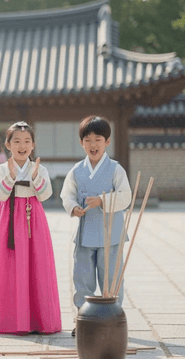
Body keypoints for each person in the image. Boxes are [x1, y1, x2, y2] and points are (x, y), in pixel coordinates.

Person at [0, 121, 61, 334]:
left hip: (34, 219)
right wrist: (12, 176)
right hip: (8, 219)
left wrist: (34, 178)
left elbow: (46, 195)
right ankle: (9, 320)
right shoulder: (2, 169)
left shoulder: (38, 168)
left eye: (26, 141)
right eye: (16, 141)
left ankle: (36, 320)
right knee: (7, 264)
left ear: (33, 145)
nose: (22, 146)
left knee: (36, 264)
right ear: (8, 144)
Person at [60, 115, 131, 337]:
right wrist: (73, 208)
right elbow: (67, 195)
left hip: (111, 234)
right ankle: (84, 319)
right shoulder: (76, 170)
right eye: (88, 139)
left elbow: (126, 196)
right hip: (84, 233)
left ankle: (112, 320)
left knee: (111, 279)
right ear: (81, 143)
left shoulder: (116, 169)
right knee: (82, 277)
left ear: (107, 141)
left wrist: (103, 201)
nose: (93, 144)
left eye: (98, 139)